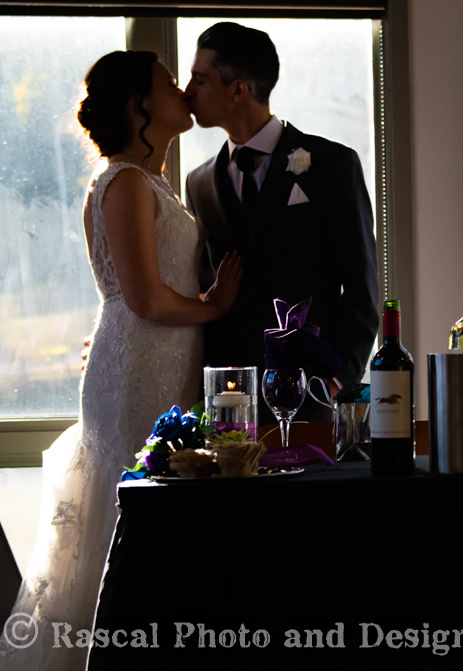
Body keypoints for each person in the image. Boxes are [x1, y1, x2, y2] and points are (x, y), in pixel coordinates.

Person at [0, 51, 241, 670]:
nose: (182, 90)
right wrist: (214, 307)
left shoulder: (148, 178)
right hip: (140, 372)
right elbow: (143, 298)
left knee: (148, 511)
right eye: (168, 83)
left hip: (156, 361)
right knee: (132, 515)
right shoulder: (127, 181)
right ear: (139, 105)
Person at [184, 22, 379, 423]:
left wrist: (339, 377)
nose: (187, 92)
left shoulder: (332, 167)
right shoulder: (199, 182)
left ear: (239, 90)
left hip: (310, 389)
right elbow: (206, 285)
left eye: (199, 79)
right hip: (228, 397)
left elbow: (362, 285)